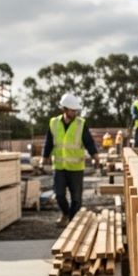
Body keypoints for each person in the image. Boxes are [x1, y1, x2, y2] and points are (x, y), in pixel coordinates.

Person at [40, 93, 100, 227]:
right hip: (59, 167)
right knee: (59, 195)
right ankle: (66, 214)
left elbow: (89, 142)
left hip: (76, 168)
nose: (75, 113)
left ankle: (72, 222)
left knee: (76, 199)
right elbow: (48, 142)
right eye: (72, 110)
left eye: (76, 110)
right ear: (65, 109)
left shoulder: (81, 124)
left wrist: (95, 156)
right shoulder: (54, 123)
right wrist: (43, 158)